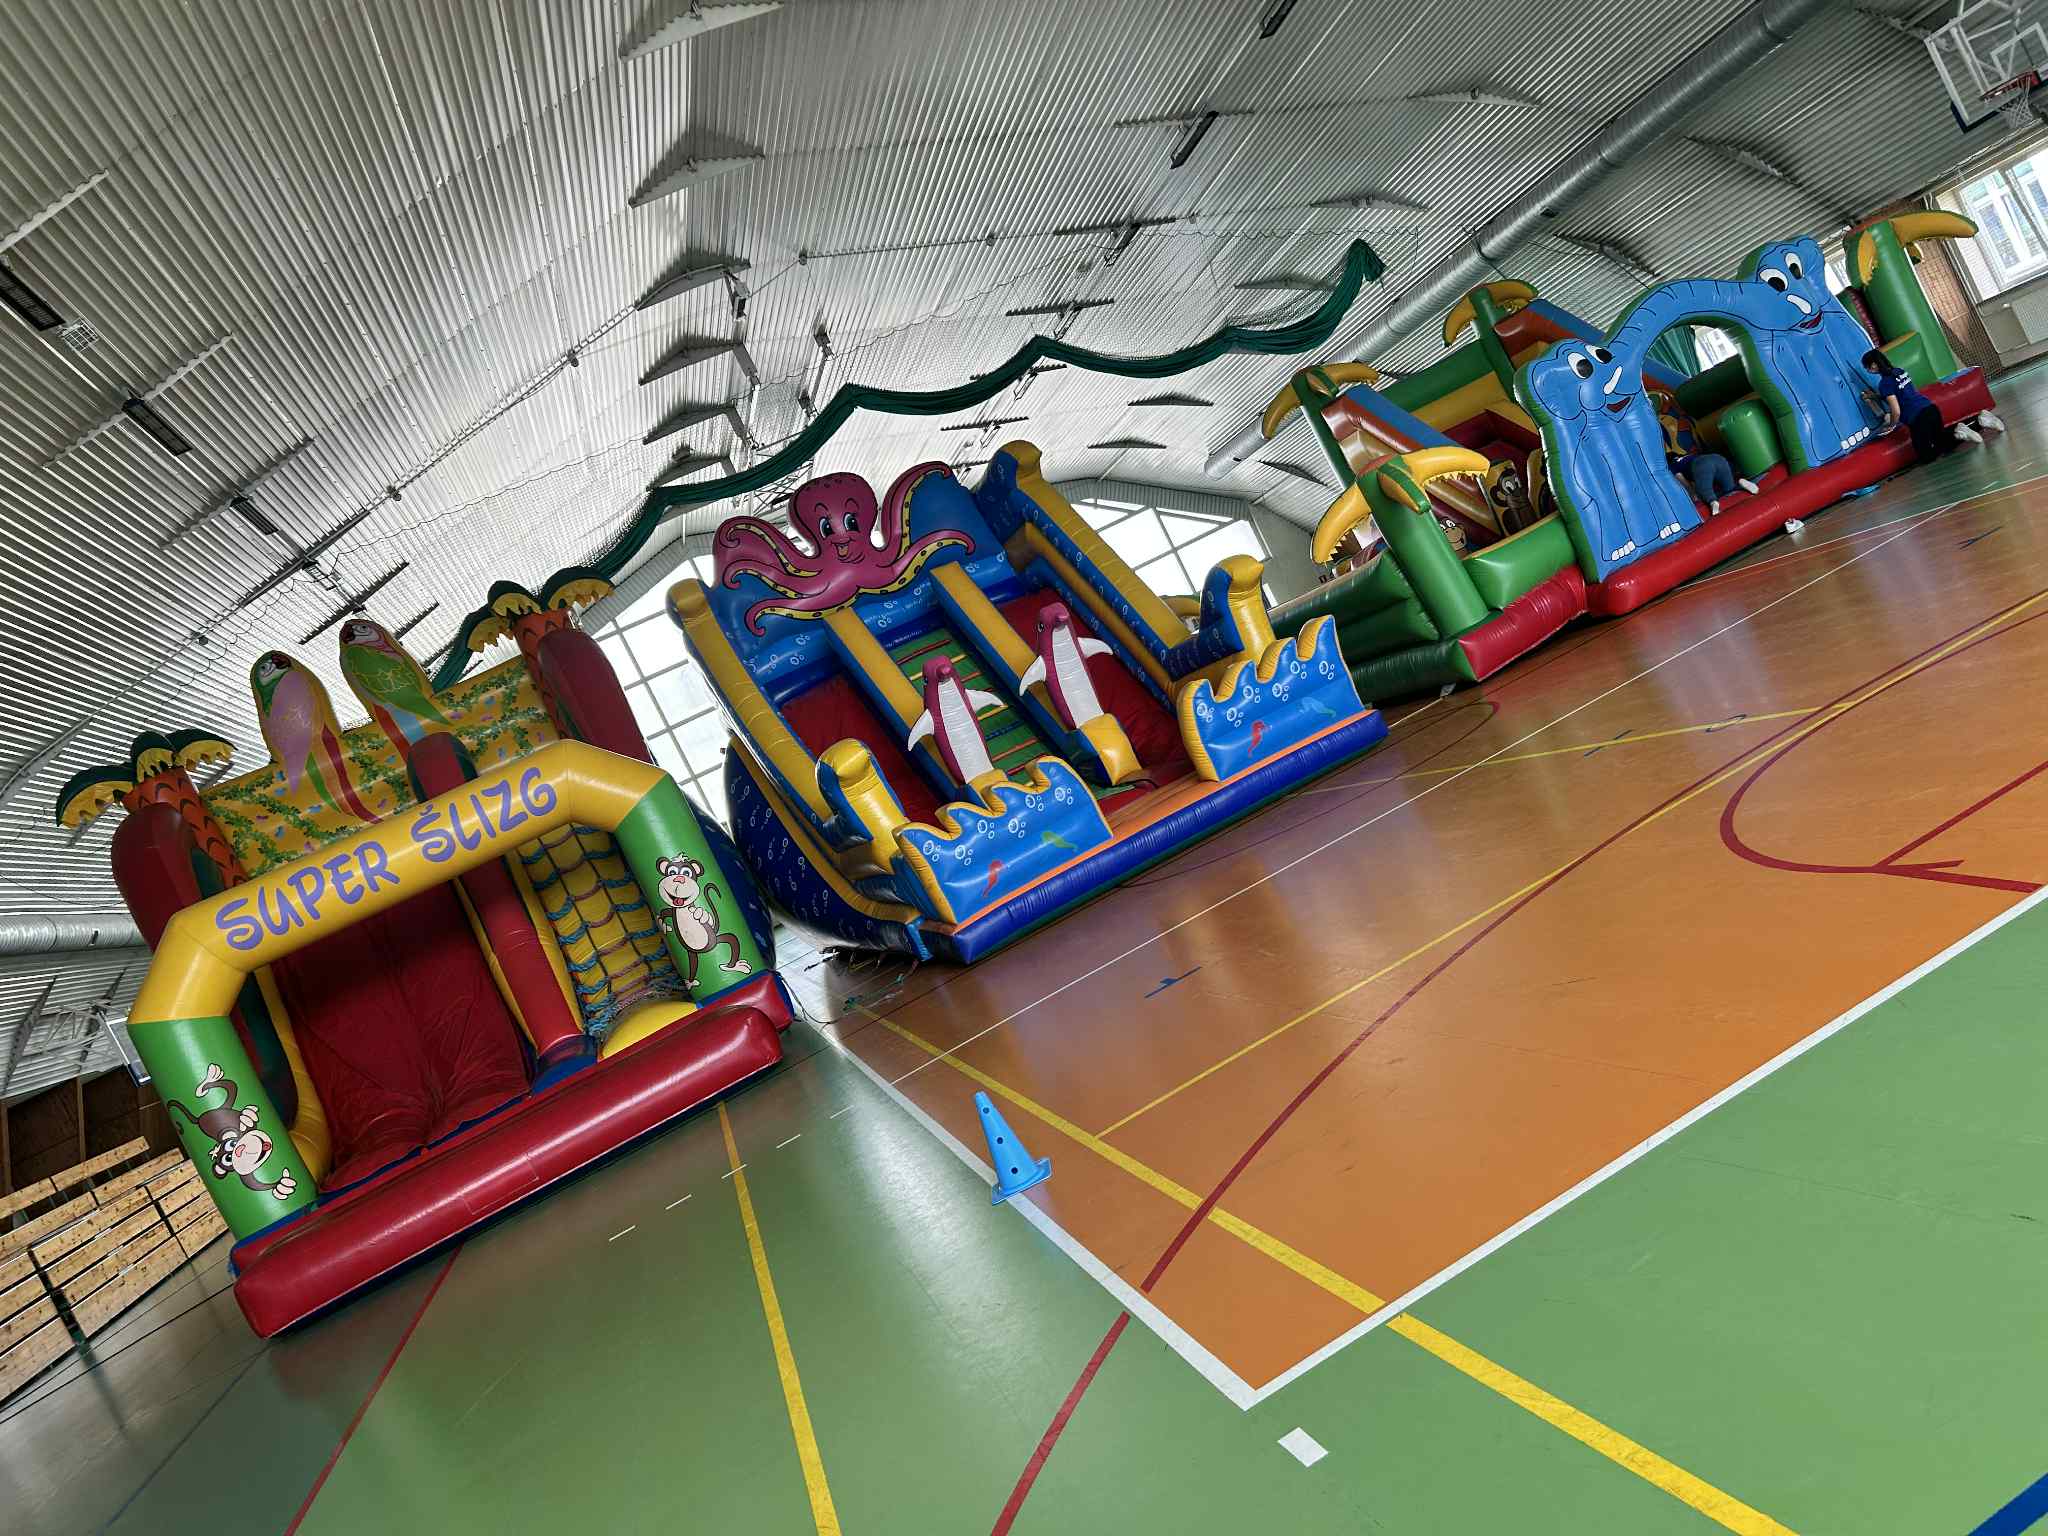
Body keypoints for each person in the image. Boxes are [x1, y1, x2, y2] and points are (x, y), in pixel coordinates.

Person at [1864, 347, 2003, 461]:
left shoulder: (1884, 383)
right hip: (1930, 409)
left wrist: (1891, 424)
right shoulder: (1899, 371)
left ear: (1874, 365)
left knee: (1927, 456)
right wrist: (1876, 396)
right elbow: (1900, 393)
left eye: (1867, 367)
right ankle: (1979, 421)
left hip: (1918, 418)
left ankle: (1959, 430)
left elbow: (1896, 410)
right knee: (1942, 441)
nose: (1867, 371)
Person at [1666, 441, 1759, 518]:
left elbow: (1686, 485)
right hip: (1718, 459)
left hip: (1701, 465)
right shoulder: (1686, 456)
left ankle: (1713, 503)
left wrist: (1694, 496)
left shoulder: (1673, 466)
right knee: (1729, 489)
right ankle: (1740, 483)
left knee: (1706, 493)